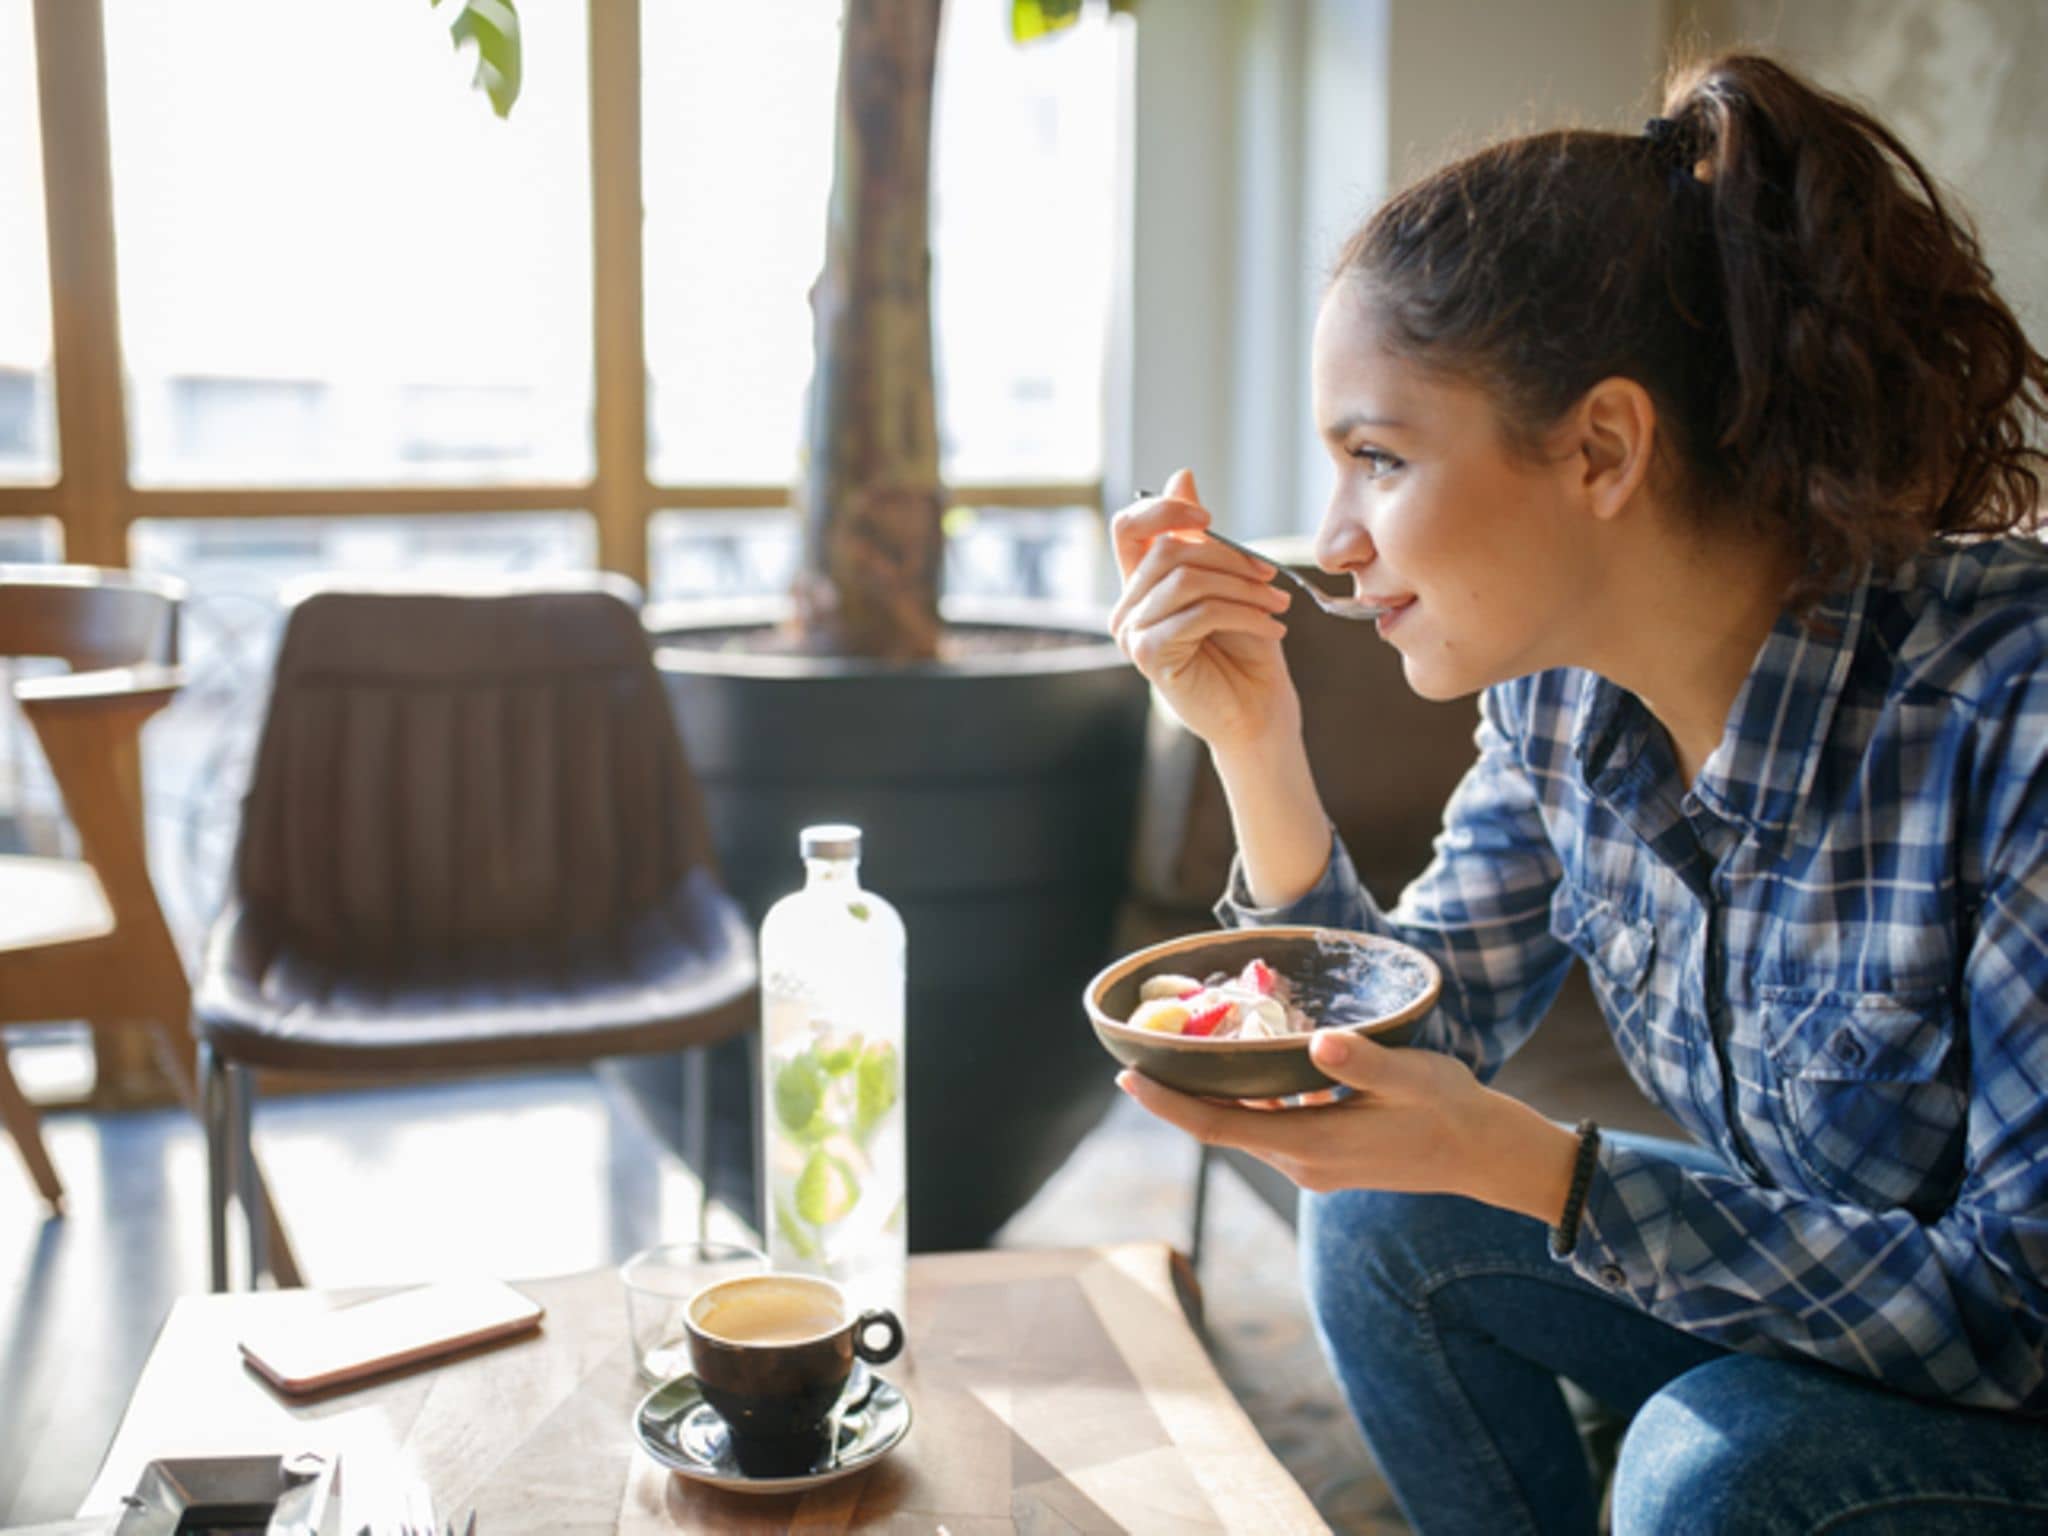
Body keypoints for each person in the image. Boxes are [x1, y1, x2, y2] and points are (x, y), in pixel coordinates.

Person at [1107, 51, 2048, 1536]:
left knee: (1712, 1463)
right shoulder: (1559, 703)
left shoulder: (2014, 723)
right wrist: (1252, 740)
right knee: (1382, 1220)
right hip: (1841, 1330)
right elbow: (1408, 1042)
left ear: (1603, 447)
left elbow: (2019, 1315)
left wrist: (1546, 1174)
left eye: (1378, 458)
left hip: (2016, 1398)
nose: (1336, 538)